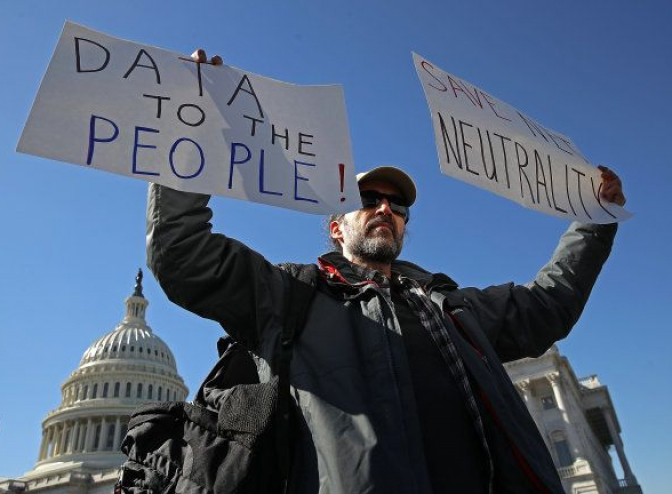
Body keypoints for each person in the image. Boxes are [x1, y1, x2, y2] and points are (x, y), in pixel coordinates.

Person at [146, 50, 625, 494]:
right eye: (368, 199)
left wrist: (595, 221)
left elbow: (549, 303)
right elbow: (183, 254)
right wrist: (195, 127)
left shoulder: (456, 309)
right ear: (336, 227)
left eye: (397, 205)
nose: (385, 208)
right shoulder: (289, 294)